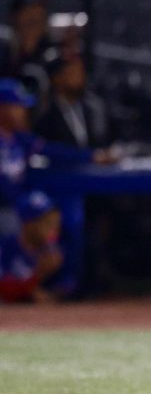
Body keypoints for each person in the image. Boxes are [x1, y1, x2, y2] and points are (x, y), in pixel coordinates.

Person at [1, 79, 109, 234]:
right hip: (6, 211)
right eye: (18, 106)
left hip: (13, 208)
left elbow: (53, 151)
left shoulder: (19, 139)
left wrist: (92, 156)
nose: (24, 111)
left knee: (53, 217)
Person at [0, 191, 71, 304]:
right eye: (48, 223)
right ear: (28, 224)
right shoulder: (7, 248)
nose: (54, 229)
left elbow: (66, 290)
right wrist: (38, 275)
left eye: (56, 223)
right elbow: (4, 290)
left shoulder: (52, 250)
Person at [34, 55, 112, 149]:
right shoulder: (46, 115)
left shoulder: (90, 110)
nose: (81, 78)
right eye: (74, 73)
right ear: (58, 79)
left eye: (82, 73)